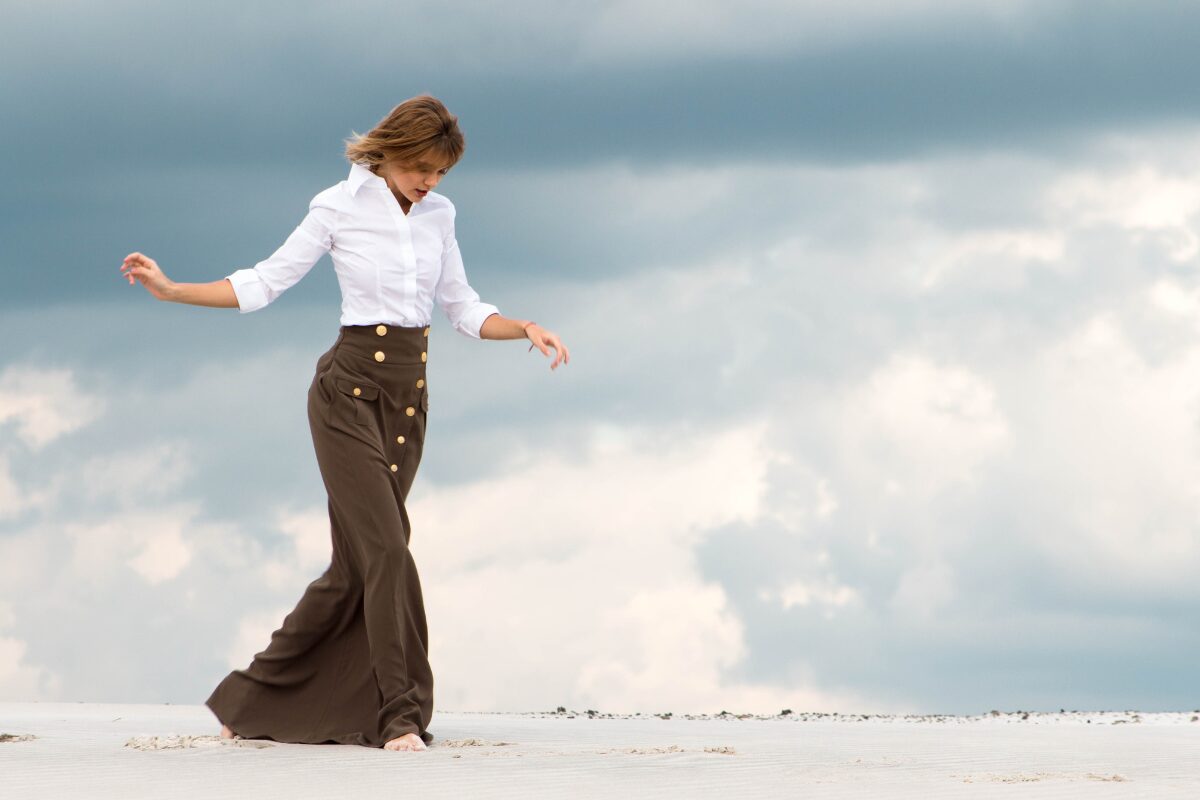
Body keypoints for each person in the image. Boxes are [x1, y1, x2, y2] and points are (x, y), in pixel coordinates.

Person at [118, 95, 570, 752]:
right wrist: (173, 288)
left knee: (354, 568)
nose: (429, 182)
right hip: (345, 396)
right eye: (419, 167)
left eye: (440, 172)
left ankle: (247, 697)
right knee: (387, 549)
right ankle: (400, 716)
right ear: (387, 152)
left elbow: (464, 309)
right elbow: (264, 282)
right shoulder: (337, 206)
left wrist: (524, 327)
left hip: (407, 403)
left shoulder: (440, 215)